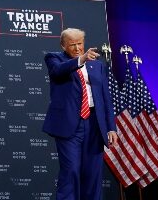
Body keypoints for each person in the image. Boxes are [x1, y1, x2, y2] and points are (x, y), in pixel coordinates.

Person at [43, 28, 118, 200]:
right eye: (72, 45)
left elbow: (105, 98)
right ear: (63, 45)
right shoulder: (54, 58)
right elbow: (58, 71)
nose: (77, 48)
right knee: (71, 171)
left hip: (94, 124)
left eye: (80, 44)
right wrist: (81, 59)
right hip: (69, 124)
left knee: (93, 174)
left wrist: (111, 128)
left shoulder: (97, 65)